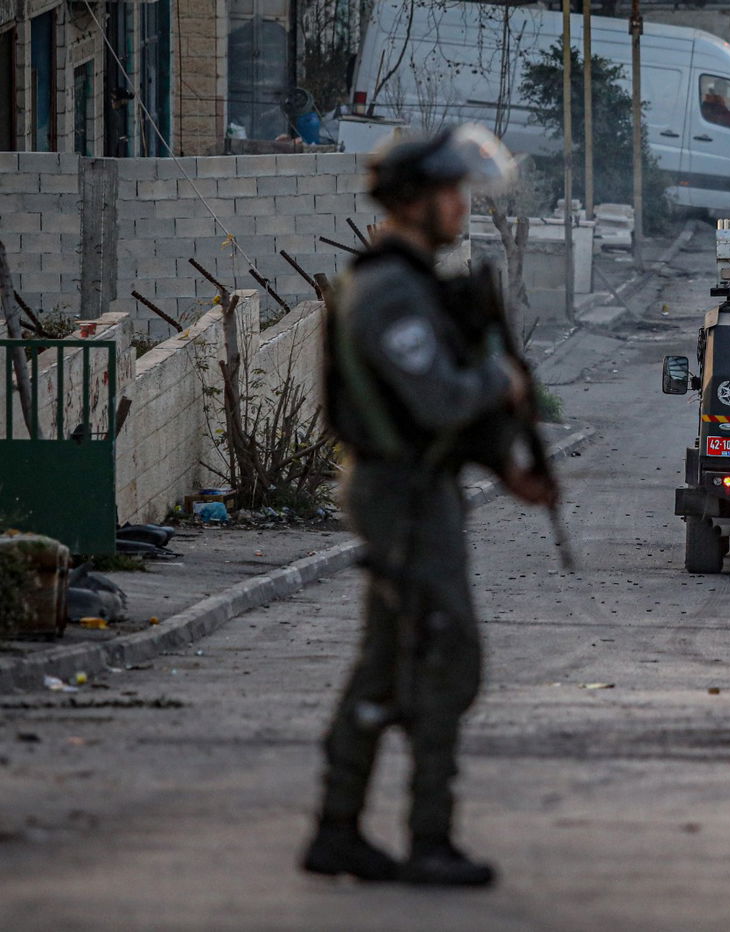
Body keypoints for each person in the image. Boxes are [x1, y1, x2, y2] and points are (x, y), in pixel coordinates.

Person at [303, 125, 556, 886]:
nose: (461, 206)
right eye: (450, 193)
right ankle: (429, 839)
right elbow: (438, 396)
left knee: (386, 662)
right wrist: (501, 388)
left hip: (419, 487)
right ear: (414, 202)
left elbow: (433, 412)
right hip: (402, 496)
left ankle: (337, 830)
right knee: (443, 656)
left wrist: (503, 467)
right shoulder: (387, 291)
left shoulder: (412, 280)